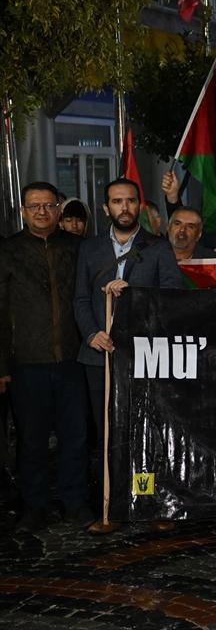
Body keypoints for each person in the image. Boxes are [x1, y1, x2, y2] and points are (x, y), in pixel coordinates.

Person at [0, 183, 91, 531]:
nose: (41, 212)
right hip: (26, 362)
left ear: (58, 209)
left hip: (72, 359)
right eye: (33, 206)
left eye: (48, 205)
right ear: (22, 212)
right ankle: (34, 506)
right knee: (31, 439)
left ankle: (75, 503)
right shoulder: (8, 252)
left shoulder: (79, 248)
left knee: (76, 437)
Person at [74, 178, 182, 458]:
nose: (125, 207)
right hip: (99, 355)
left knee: (144, 430)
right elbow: (81, 298)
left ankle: (141, 496)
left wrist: (135, 295)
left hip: (143, 355)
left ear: (139, 205)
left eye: (131, 201)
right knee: (104, 431)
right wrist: (91, 334)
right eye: (117, 201)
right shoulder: (89, 248)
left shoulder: (158, 247)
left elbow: (172, 297)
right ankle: (108, 497)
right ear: (106, 208)